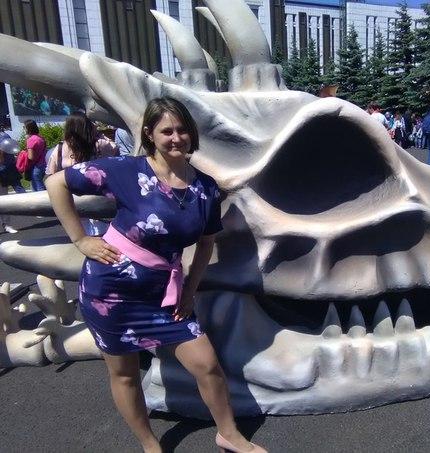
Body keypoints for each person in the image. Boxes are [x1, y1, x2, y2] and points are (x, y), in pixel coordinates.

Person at [46, 97, 266, 453]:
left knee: (207, 364)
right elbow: (56, 182)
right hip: (109, 291)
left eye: (182, 130)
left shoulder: (206, 188)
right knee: (124, 374)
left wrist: (190, 290)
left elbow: (206, 244)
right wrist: (81, 239)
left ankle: (229, 434)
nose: (176, 138)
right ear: (150, 134)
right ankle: (150, 445)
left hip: (166, 295)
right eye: (167, 131)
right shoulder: (125, 170)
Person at [46, 113, 118, 236]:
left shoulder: (59, 148)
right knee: (102, 235)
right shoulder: (99, 145)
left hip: (72, 199)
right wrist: (99, 133)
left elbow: (50, 174)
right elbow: (115, 148)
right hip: (96, 197)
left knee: (78, 235)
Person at [23, 119, 47, 191]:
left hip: (36, 166)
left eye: (24, 127)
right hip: (43, 164)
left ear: (28, 128)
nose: (23, 129)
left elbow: (31, 157)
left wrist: (24, 154)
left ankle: (43, 198)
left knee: (37, 187)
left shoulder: (31, 139)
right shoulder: (41, 138)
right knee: (41, 184)